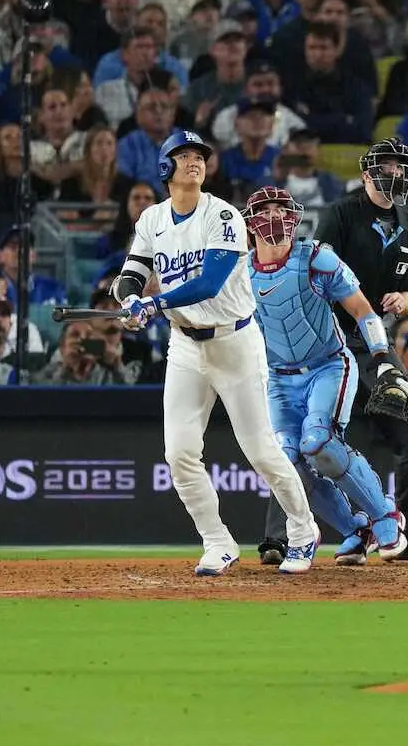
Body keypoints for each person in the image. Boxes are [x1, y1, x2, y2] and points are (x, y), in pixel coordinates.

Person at [112, 130, 321, 576]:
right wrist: (128, 299)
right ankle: (218, 542)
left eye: (199, 156)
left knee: (261, 449)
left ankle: (303, 532)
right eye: (183, 155)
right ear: (165, 167)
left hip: (235, 342)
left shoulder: (222, 213)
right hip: (185, 347)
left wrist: (153, 302)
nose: (194, 162)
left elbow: (209, 282)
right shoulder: (151, 219)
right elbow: (132, 272)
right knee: (179, 452)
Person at [281, 137, 408, 563]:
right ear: (366, 173)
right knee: (298, 437)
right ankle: (279, 540)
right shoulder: (341, 213)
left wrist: (407, 301)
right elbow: (313, 276)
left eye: (402, 166)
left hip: (377, 343)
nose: (396, 173)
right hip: (329, 344)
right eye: (388, 165)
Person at [245, 186, 406, 567]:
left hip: (328, 366)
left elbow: (364, 312)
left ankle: (386, 515)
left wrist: (382, 356)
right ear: (250, 222)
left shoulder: (316, 259)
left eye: (281, 209)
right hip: (278, 378)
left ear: (295, 216)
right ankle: (356, 528)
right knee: (287, 460)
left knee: (318, 442)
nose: (274, 218)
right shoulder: (238, 271)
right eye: (265, 211)